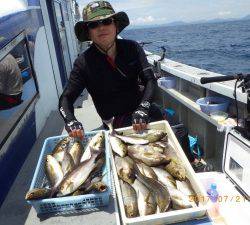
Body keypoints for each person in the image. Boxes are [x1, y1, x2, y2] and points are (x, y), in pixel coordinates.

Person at [59, 1, 211, 172]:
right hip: (116, 123)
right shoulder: (83, 63)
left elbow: (150, 81)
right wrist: (70, 120)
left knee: (179, 137)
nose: (101, 27)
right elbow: (66, 98)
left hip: (143, 112)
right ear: (88, 32)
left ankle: (191, 167)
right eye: (94, 24)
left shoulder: (132, 48)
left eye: (107, 21)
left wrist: (143, 108)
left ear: (115, 25)